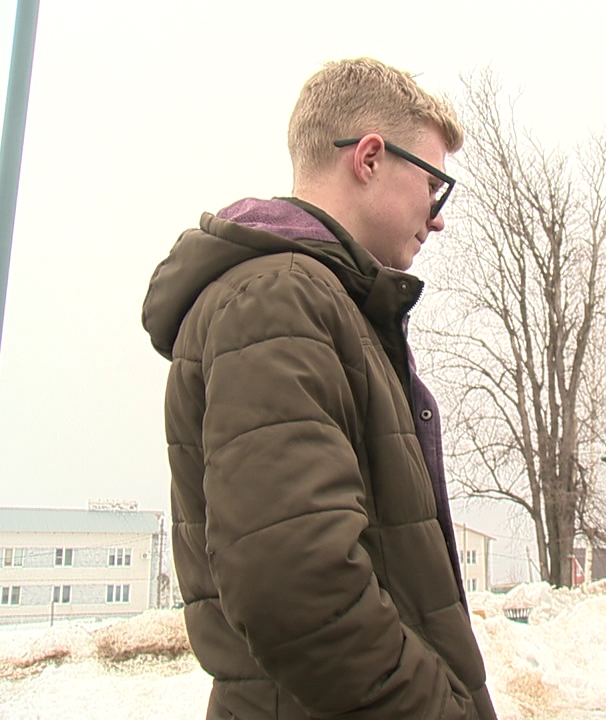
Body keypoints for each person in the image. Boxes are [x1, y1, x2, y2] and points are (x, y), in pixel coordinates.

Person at [141, 58, 496, 720]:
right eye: (434, 185)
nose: (438, 217)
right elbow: (295, 586)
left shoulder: (320, 304)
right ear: (368, 158)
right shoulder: (279, 302)